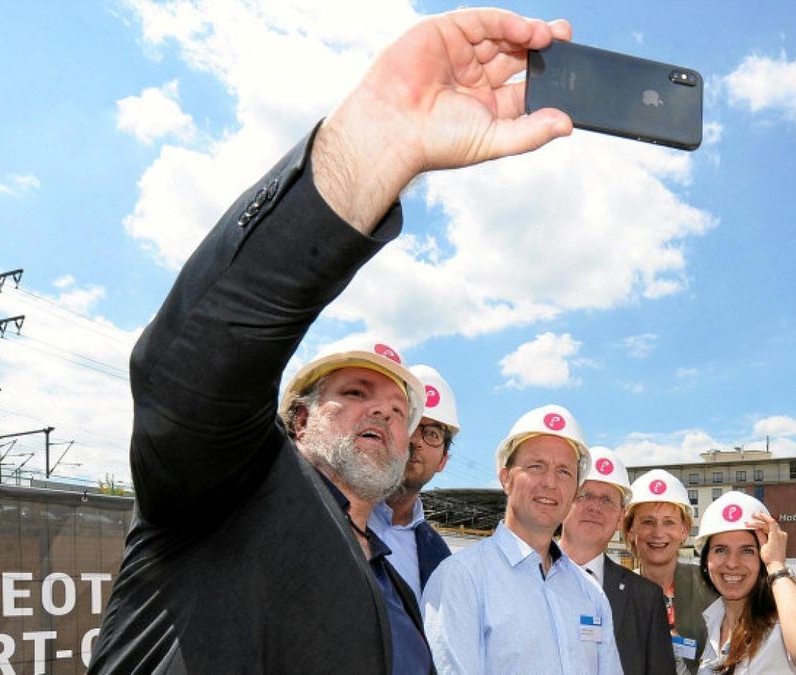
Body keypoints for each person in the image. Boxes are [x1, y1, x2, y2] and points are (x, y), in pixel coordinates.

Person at [89, 7, 575, 673]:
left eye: (401, 410)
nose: (384, 410)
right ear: (297, 418)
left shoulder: (396, 586)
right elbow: (191, 367)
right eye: (353, 392)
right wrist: (372, 149)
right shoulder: (229, 488)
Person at [422, 405, 623, 674]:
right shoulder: (461, 579)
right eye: (536, 466)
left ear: (575, 489)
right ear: (506, 478)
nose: (550, 482)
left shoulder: (589, 592)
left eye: (564, 471)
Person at [559, 447, 677, 675]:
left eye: (607, 500)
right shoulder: (525, 577)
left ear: (621, 517)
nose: (595, 506)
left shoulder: (646, 598)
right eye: (584, 495)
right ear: (565, 500)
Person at [694, 491, 796, 674]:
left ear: (763, 558)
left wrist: (776, 565)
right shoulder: (714, 620)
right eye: (720, 550)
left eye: (747, 551)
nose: (732, 563)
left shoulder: (787, 616)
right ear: (706, 560)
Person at [369, 364, 458, 600]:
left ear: (443, 462)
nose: (416, 440)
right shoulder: (333, 510)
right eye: (409, 422)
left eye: (432, 434)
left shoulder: (440, 557)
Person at [624, 469, 718, 674]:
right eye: (648, 521)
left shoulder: (711, 586)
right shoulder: (617, 592)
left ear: (684, 530)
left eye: (669, 521)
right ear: (631, 530)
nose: (658, 533)